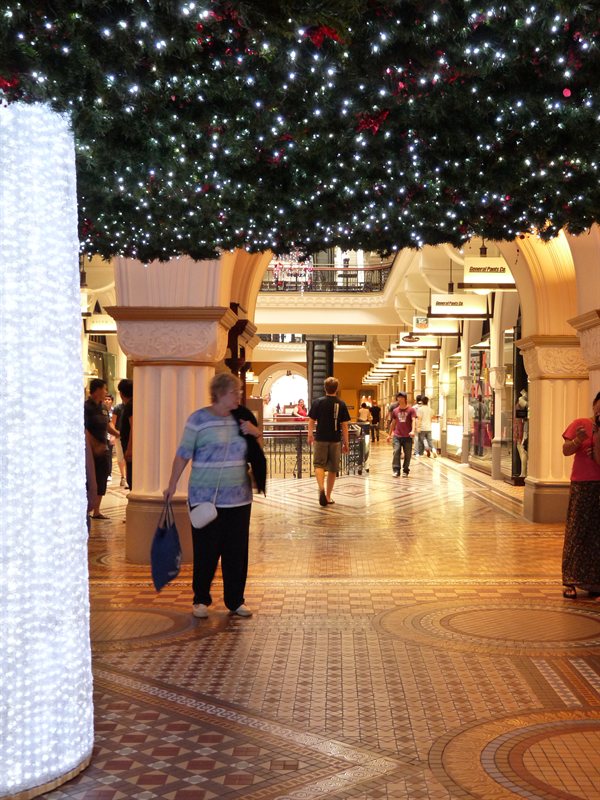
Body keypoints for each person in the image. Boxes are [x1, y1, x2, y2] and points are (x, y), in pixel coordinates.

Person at [163, 372, 263, 619]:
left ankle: (235, 600)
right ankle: (201, 599)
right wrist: (172, 484)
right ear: (220, 394)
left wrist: (255, 431)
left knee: (236, 551)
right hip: (205, 498)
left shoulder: (242, 418)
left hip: (239, 498)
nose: (238, 396)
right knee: (206, 550)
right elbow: (184, 453)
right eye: (234, 392)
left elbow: (256, 450)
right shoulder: (199, 419)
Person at [561, 391, 600, 599]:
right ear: (594, 405)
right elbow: (565, 450)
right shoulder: (581, 424)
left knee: (596, 535)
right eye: (598, 406)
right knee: (577, 531)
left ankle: (593, 581)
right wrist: (578, 440)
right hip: (582, 485)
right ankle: (570, 580)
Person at [307, 376, 350, 506]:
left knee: (319, 465)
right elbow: (344, 425)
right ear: (336, 388)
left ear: (324, 388)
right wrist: (346, 442)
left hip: (320, 438)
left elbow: (311, 421)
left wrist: (310, 435)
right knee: (332, 468)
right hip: (335, 440)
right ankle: (328, 496)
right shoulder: (341, 404)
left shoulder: (317, 402)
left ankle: (321, 489)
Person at [84, 378, 120, 519]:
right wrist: (93, 445)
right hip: (90, 451)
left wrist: (117, 433)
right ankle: (87, 508)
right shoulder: (86, 407)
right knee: (90, 478)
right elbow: (84, 428)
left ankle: (97, 510)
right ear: (97, 390)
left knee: (102, 477)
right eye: (104, 389)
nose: (106, 391)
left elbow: (107, 425)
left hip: (103, 448)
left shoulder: (103, 407)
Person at [386, 391, 417, 476]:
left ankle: (405, 470)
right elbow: (393, 422)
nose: (399, 399)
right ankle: (396, 470)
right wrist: (389, 434)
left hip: (408, 436)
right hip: (397, 435)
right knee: (396, 451)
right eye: (398, 397)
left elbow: (414, 420)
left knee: (408, 454)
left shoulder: (411, 410)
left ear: (405, 398)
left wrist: (413, 430)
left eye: (401, 397)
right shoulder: (395, 411)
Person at [117, 378, 133, 491]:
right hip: (130, 445)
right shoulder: (133, 403)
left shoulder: (129, 406)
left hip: (131, 448)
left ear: (121, 393)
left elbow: (134, 427)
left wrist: (130, 448)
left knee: (132, 477)